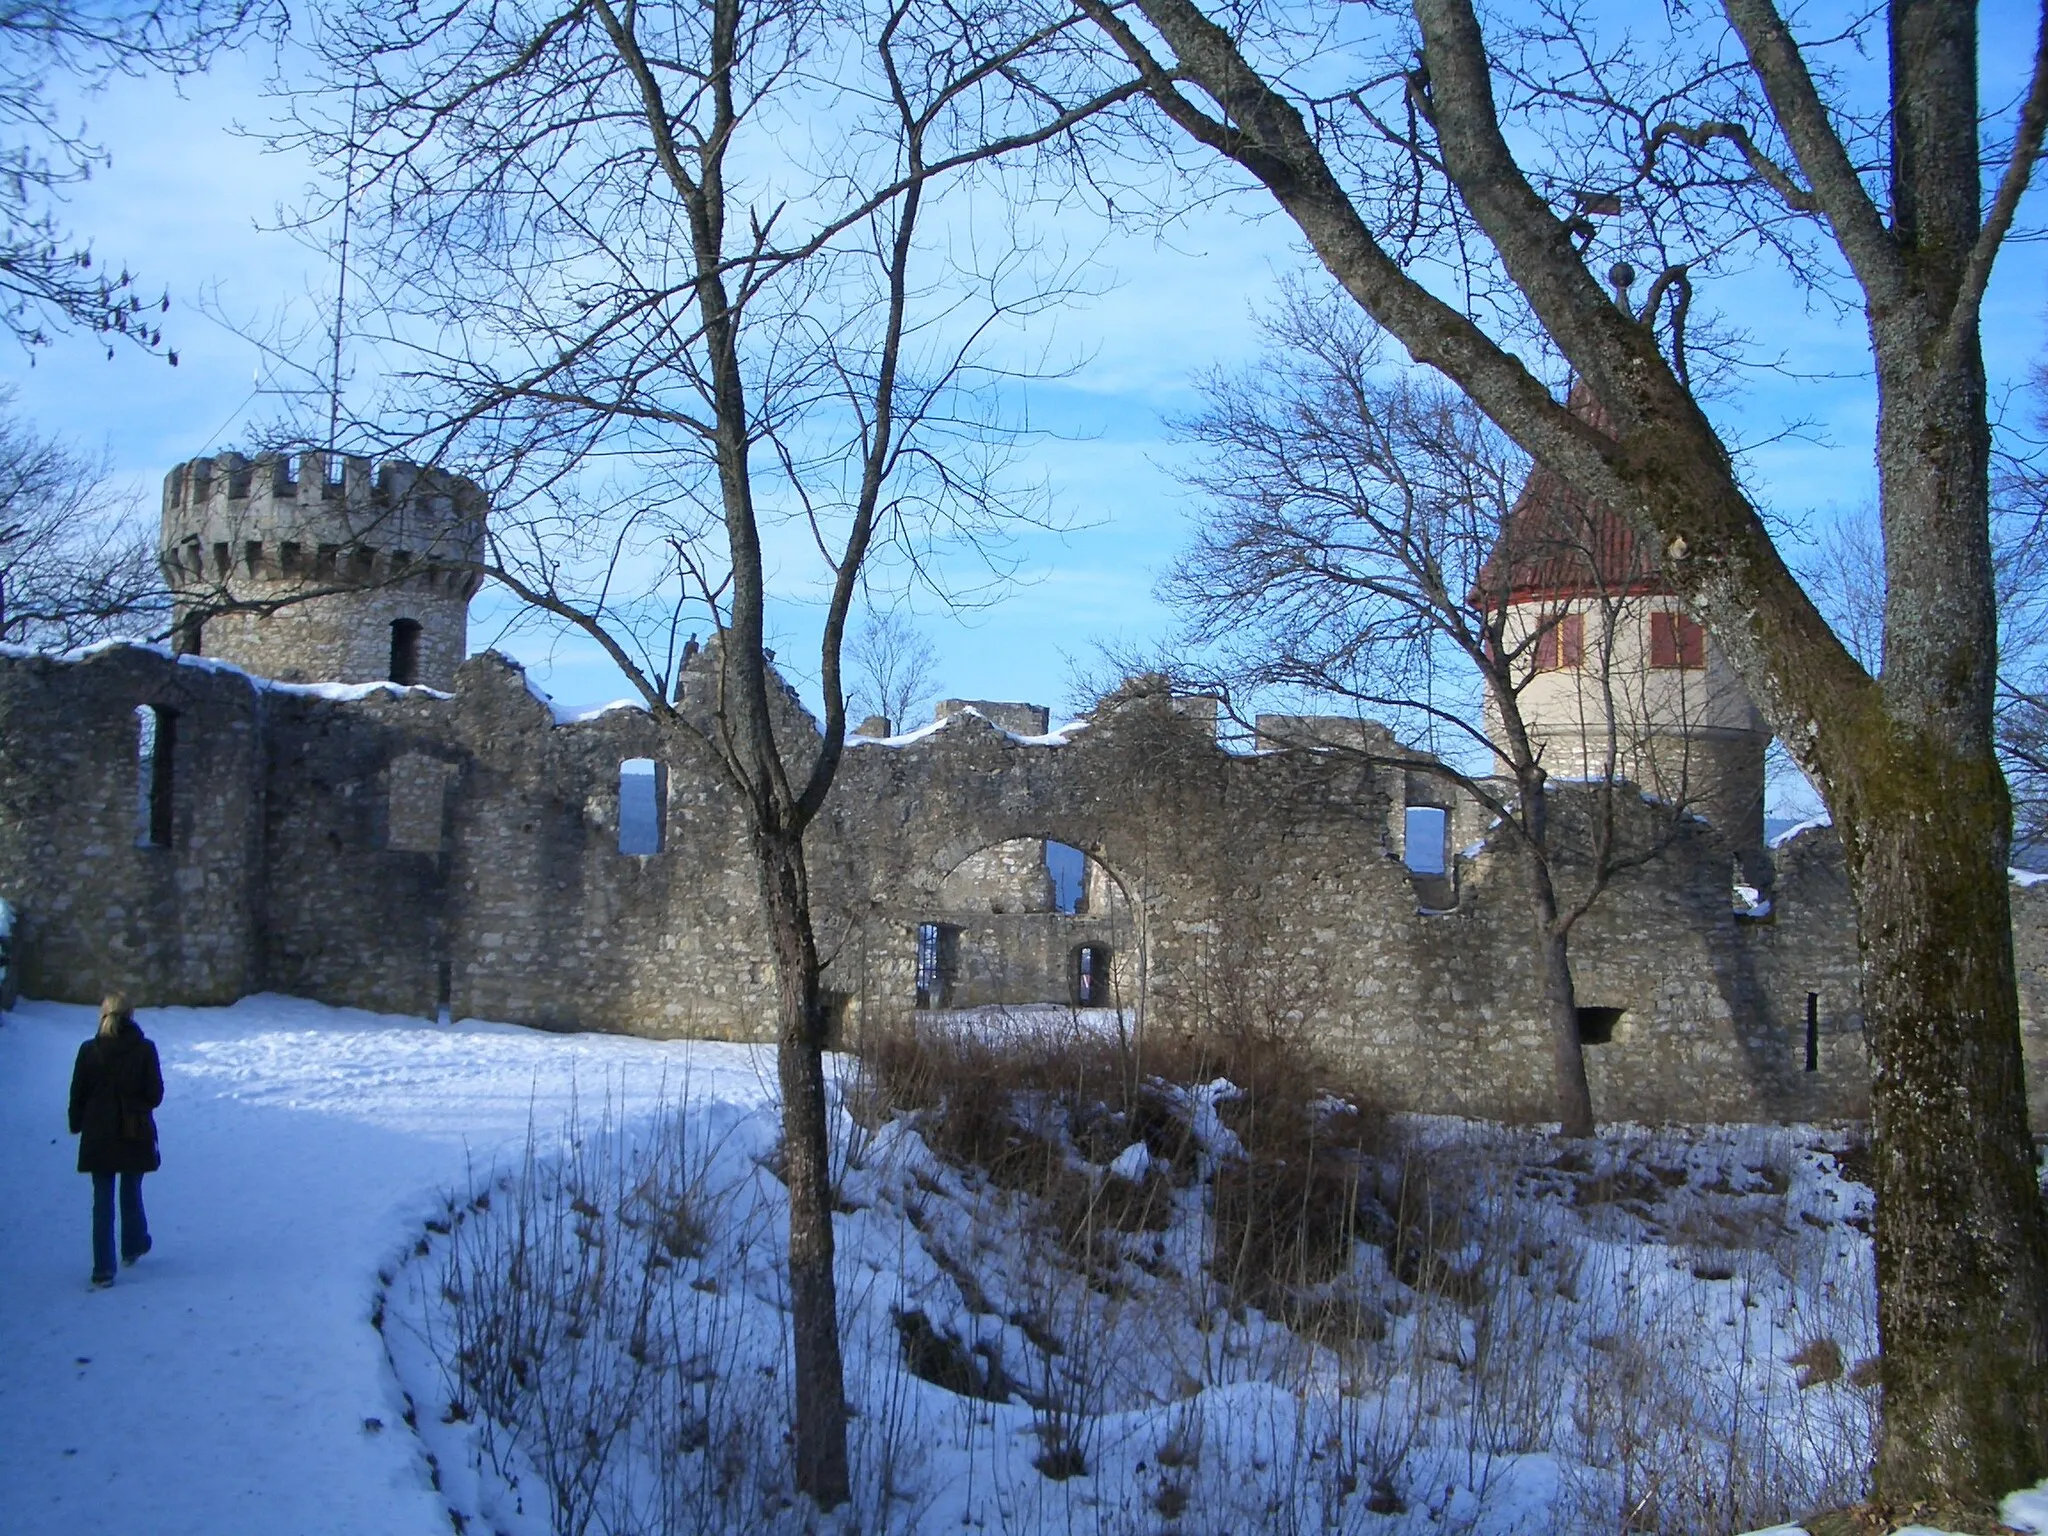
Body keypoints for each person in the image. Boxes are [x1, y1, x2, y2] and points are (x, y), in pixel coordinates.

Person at [68, 994, 163, 1288]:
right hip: (133, 1129)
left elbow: (78, 1093)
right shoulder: (144, 1049)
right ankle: (133, 1244)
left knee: (102, 1201)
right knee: (131, 1189)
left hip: (98, 1132)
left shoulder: (89, 1050)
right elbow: (155, 1095)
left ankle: (103, 1268)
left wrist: (77, 1123)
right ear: (131, 1016)